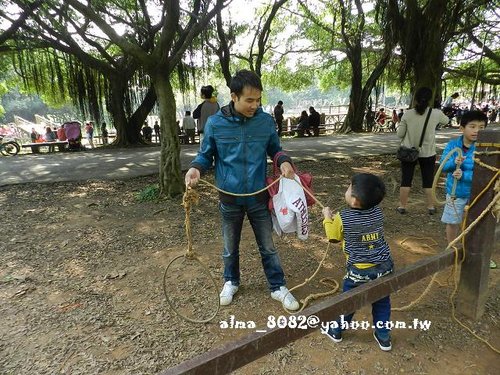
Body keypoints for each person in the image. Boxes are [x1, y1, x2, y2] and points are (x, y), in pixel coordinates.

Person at [184, 69, 299, 311]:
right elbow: (205, 156)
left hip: (259, 195)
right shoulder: (216, 124)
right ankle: (231, 281)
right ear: (233, 96)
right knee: (229, 247)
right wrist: (196, 168)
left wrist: (283, 161)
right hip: (229, 198)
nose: (254, 105)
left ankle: (278, 286)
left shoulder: (265, 121)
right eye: (249, 100)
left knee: (267, 245)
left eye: (258, 100)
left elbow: (275, 149)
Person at [321, 173, 394, 351]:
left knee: (349, 302)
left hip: (358, 272)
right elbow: (361, 222)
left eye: (349, 187)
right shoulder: (377, 212)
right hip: (384, 267)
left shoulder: (343, 217)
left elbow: (333, 237)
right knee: (382, 301)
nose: (346, 189)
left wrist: (327, 218)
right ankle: (383, 336)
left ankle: (336, 330)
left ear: (354, 201)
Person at [396, 87, 449, 215]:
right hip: (428, 152)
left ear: (415, 99)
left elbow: (400, 134)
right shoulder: (436, 113)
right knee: (428, 180)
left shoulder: (407, 114)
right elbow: (446, 121)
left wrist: (400, 125)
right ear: (431, 99)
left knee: (406, 179)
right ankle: (431, 207)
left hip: (409, 152)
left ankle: (402, 206)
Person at [439, 111, 487, 244]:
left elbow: (485, 173)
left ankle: (475, 250)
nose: (477, 130)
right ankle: (453, 249)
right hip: (455, 192)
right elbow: (443, 167)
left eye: (481, 127)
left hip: (478, 192)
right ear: (462, 128)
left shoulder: (485, 148)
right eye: (472, 126)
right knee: (452, 221)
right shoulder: (453, 145)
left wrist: (464, 175)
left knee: (475, 221)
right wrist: (454, 163)